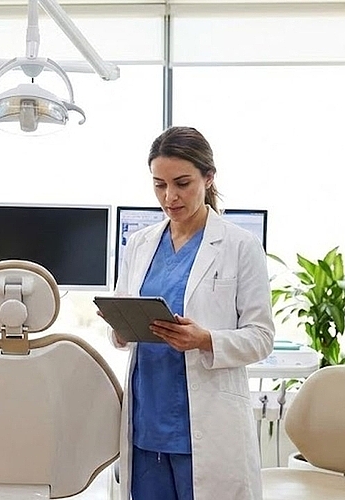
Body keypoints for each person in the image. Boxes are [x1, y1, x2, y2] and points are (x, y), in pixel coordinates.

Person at [108, 126, 275, 500]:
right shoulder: (140, 244)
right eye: (159, 185)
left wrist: (205, 340)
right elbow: (121, 322)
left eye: (182, 183)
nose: (170, 197)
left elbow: (261, 337)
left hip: (206, 423)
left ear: (208, 177)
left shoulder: (239, 246)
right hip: (146, 422)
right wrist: (120, 328)